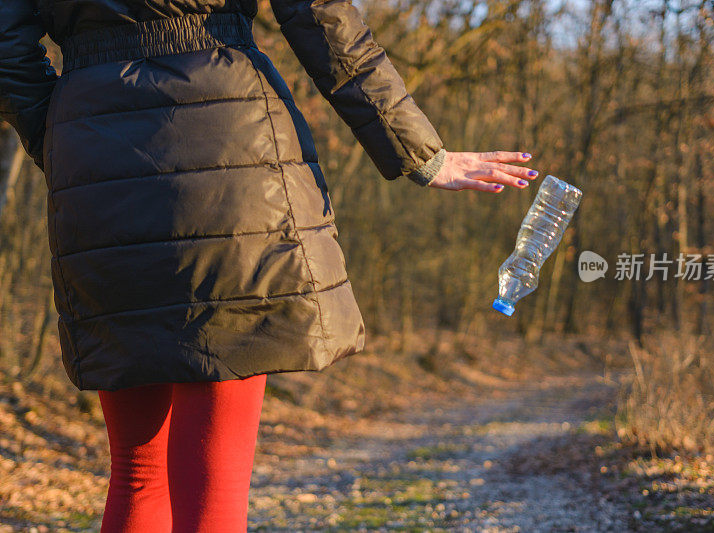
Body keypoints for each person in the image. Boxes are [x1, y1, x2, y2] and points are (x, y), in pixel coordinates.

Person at [0, 0, 538, 530]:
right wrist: (421, 153)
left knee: (138, 476)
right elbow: (320, 16)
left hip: (95, 168)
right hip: (232, 158)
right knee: (214, 488)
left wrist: (67, 142)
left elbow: (6, 43)